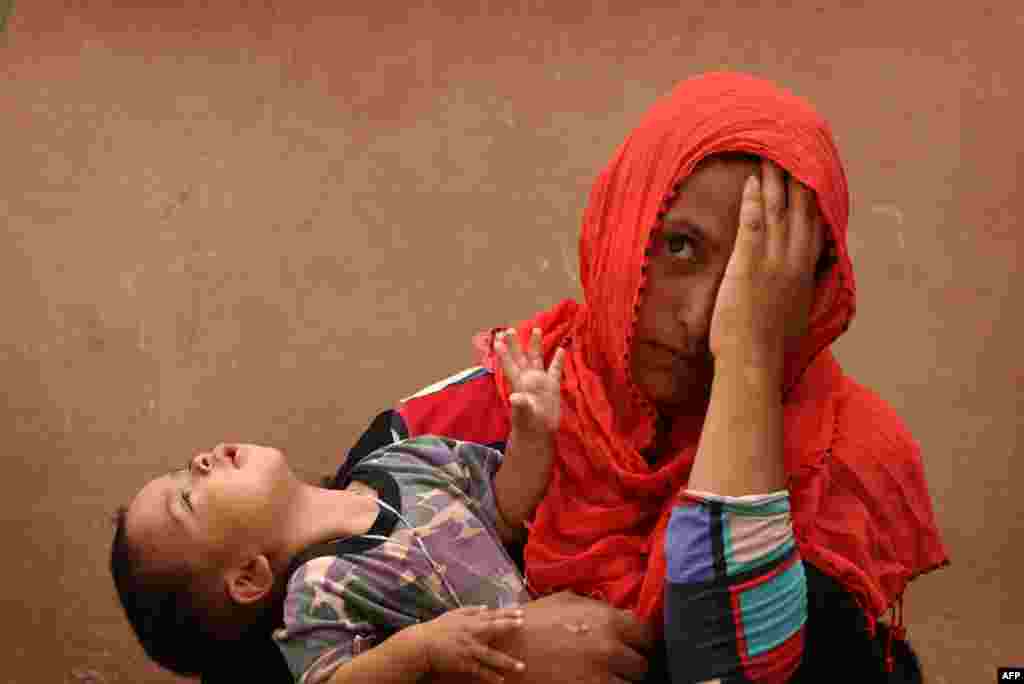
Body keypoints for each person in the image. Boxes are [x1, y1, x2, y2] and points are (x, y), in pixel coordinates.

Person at [344, 71, 950, 682]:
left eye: (756, 273)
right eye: (679, 248)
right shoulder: (456, 427)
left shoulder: (842, 472)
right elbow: (300, 640)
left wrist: (748, 367)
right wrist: (489, 654)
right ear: (622, 229)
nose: (700, 318)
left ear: (806, 294)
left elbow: (736, 669)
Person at [111, 336, 612, 684]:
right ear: (247, 577)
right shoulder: (317, 593)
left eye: (184, 467)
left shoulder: (400, 460)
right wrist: (423, 651)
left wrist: (534, 432)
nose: (199, 461)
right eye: (187, 499)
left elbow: (506, 507)